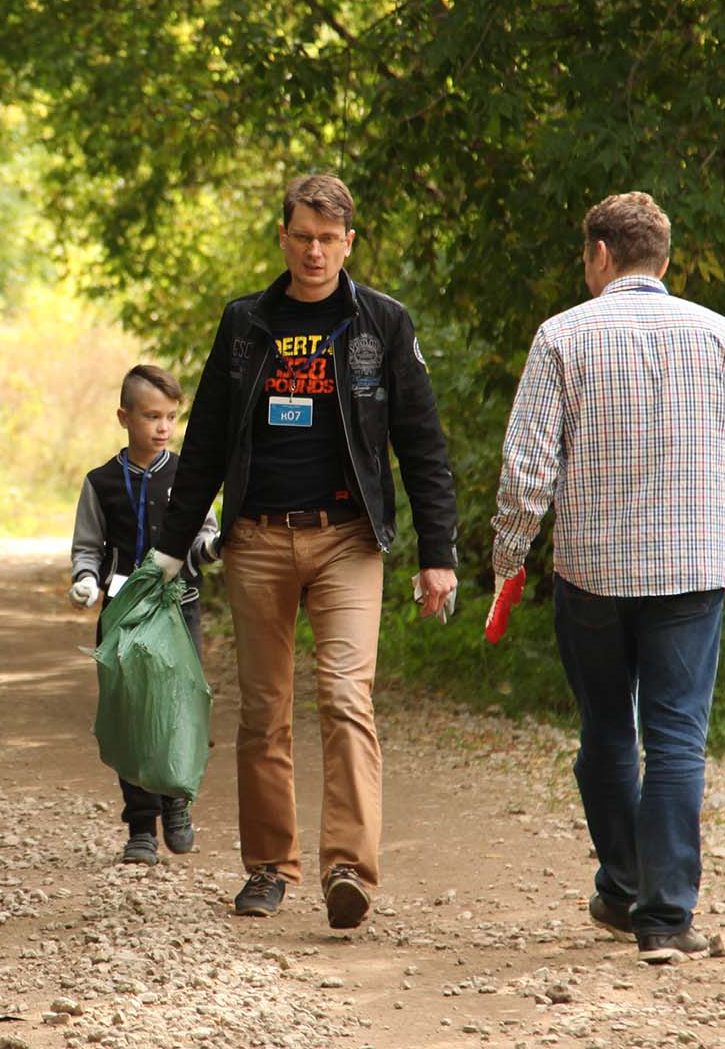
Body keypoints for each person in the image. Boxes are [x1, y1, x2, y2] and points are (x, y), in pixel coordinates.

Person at [153, 172, 460, 927]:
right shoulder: (245, 324)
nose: (315, 250)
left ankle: (350, 870)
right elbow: (204, 446)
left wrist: (438, 552)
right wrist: (167, 550)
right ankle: (268, 866)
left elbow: (422, 444)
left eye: (329, 238)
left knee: (347, 700)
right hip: (257, 539)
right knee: (263, 712)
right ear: (283, 238)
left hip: (348, 541)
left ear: (349, 242)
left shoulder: (382, 323)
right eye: (302, 236)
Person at [485, 191, 725, 965]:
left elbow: (526, 471)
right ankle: (666, 917)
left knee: (608, 730)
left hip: (593, 573)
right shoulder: (722, 337)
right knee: (677, 735)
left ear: (600, 255)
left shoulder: (562, 338)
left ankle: (621, 888)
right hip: (690, 571)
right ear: (663, 259)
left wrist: (509, 560)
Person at [68, 364, 219, 865]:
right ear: (124, 417)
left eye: (171, 417)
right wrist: (85, 580)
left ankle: (177, 801)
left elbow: (204, 538)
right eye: (152, 416)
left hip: (180, 609)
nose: (162, 427)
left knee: (177, 706)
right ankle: (140, 826)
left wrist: (214, 549)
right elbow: (87, 547)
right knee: (130, 711)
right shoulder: (100, 482)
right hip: (122, 613)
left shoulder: (189, 478)